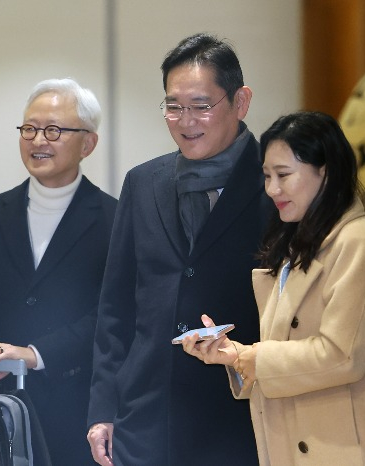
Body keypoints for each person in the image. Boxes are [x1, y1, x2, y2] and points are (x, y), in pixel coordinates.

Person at [182, 111, 365, 465]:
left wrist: (253, 358)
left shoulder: (361, 242)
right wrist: (234, 355)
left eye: (284, 175)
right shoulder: (296, 244)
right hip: (298, 444)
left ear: (326, 172)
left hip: (352, 450)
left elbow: (342, 355)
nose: (272, 189)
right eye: (267, 176)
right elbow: (288, 353)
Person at [87, 33, 273, 465]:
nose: (185, 120)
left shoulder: (275, 185)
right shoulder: (143, 182)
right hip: (146, 421)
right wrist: (103, 411)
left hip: (240, 417)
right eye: (173, 106)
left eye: (201, 105)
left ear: (240, 102)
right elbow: (115, 307)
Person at [0, 78, 117, 465]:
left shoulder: (115, 220)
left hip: (77, 415)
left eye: (54, 130)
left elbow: (112, 317)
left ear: (88, 143)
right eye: (29, 129)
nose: (38, 140)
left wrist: (35, 354)